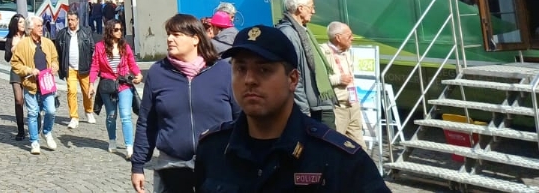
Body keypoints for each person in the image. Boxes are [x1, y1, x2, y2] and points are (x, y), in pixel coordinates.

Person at [195, 26, 390, 192]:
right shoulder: (213, 149)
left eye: (264, 70)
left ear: (293, 79)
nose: (249, 80)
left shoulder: (337, 159)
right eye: (240, 69)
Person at [132, 14, 238, 192]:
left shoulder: (223, 71)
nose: (169, 39)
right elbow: (146, 123)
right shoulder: (158, 73)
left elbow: (241, 117)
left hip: (219, 165)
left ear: (195, 39)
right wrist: (138, 165)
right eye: (168, 34)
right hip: (172, 165)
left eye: (176, 34)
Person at [276, 0, 337, 127]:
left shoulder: (303, 30)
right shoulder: (289, 33)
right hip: (311, 107)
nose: (313, 11)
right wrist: (303, 110)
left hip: (320, 102)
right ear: (300, 8)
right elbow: (293, 73)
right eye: (311, 7)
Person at [89, 18, 142, 157]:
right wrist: (91, 84)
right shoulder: (99, 47)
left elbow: (132, 63)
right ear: (109, 31)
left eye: (121, 29)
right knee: (111, 116)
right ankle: (112, 140)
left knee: (126, 116)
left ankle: (129, 147)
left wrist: (139, 74)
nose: (119, 32)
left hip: (124, 84)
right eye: (116, 29)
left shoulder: (125, 46)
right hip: (107, 85)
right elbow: (95, 67)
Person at [10, 14, 61, 155]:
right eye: (38, 26)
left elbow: (54, 57)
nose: (41, 28)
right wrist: (29, 70)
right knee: (33, 113)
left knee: (51, 110)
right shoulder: (23, 44)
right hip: (31, 84)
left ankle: (47, 132)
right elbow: (15, 63)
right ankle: (34, 141)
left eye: (42, 25)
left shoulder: (47, 42)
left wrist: (55, 66)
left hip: (47, 83)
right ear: (30, 28)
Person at [321, 21, 365, 149]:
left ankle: (364, 167)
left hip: (353, 104)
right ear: (338, 38)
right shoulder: (323, 52)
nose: (353, 38)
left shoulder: (347, 51)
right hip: (338, 108)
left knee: (360, 146)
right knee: (337, 146)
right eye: (349, 35)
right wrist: (338, 79)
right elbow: (318, 80)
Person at [54, 11, 95, 128]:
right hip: (70, 68)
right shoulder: (62, 34)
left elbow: (92, 48)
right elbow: (58, 51)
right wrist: (60, 67)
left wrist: (91, 64)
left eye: (72, 20)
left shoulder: (86, 32)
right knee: (71, 91)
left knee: (87, 92)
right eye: (69, 20)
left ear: (78, 20)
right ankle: (74, 117)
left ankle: (88, 111)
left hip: (84, 67)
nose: (70, 22)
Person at [2, 13, 29, 141]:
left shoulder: (29, 37)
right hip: (16, 71)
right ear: (15, 24)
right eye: (20, 22)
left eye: (24, 22)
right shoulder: (10, 38)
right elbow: (7, 58)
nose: (23, 24)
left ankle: (35, 126)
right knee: (19, 100)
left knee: (31, 100)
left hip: (29, 71)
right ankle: (20, 130)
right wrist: (12, 48)